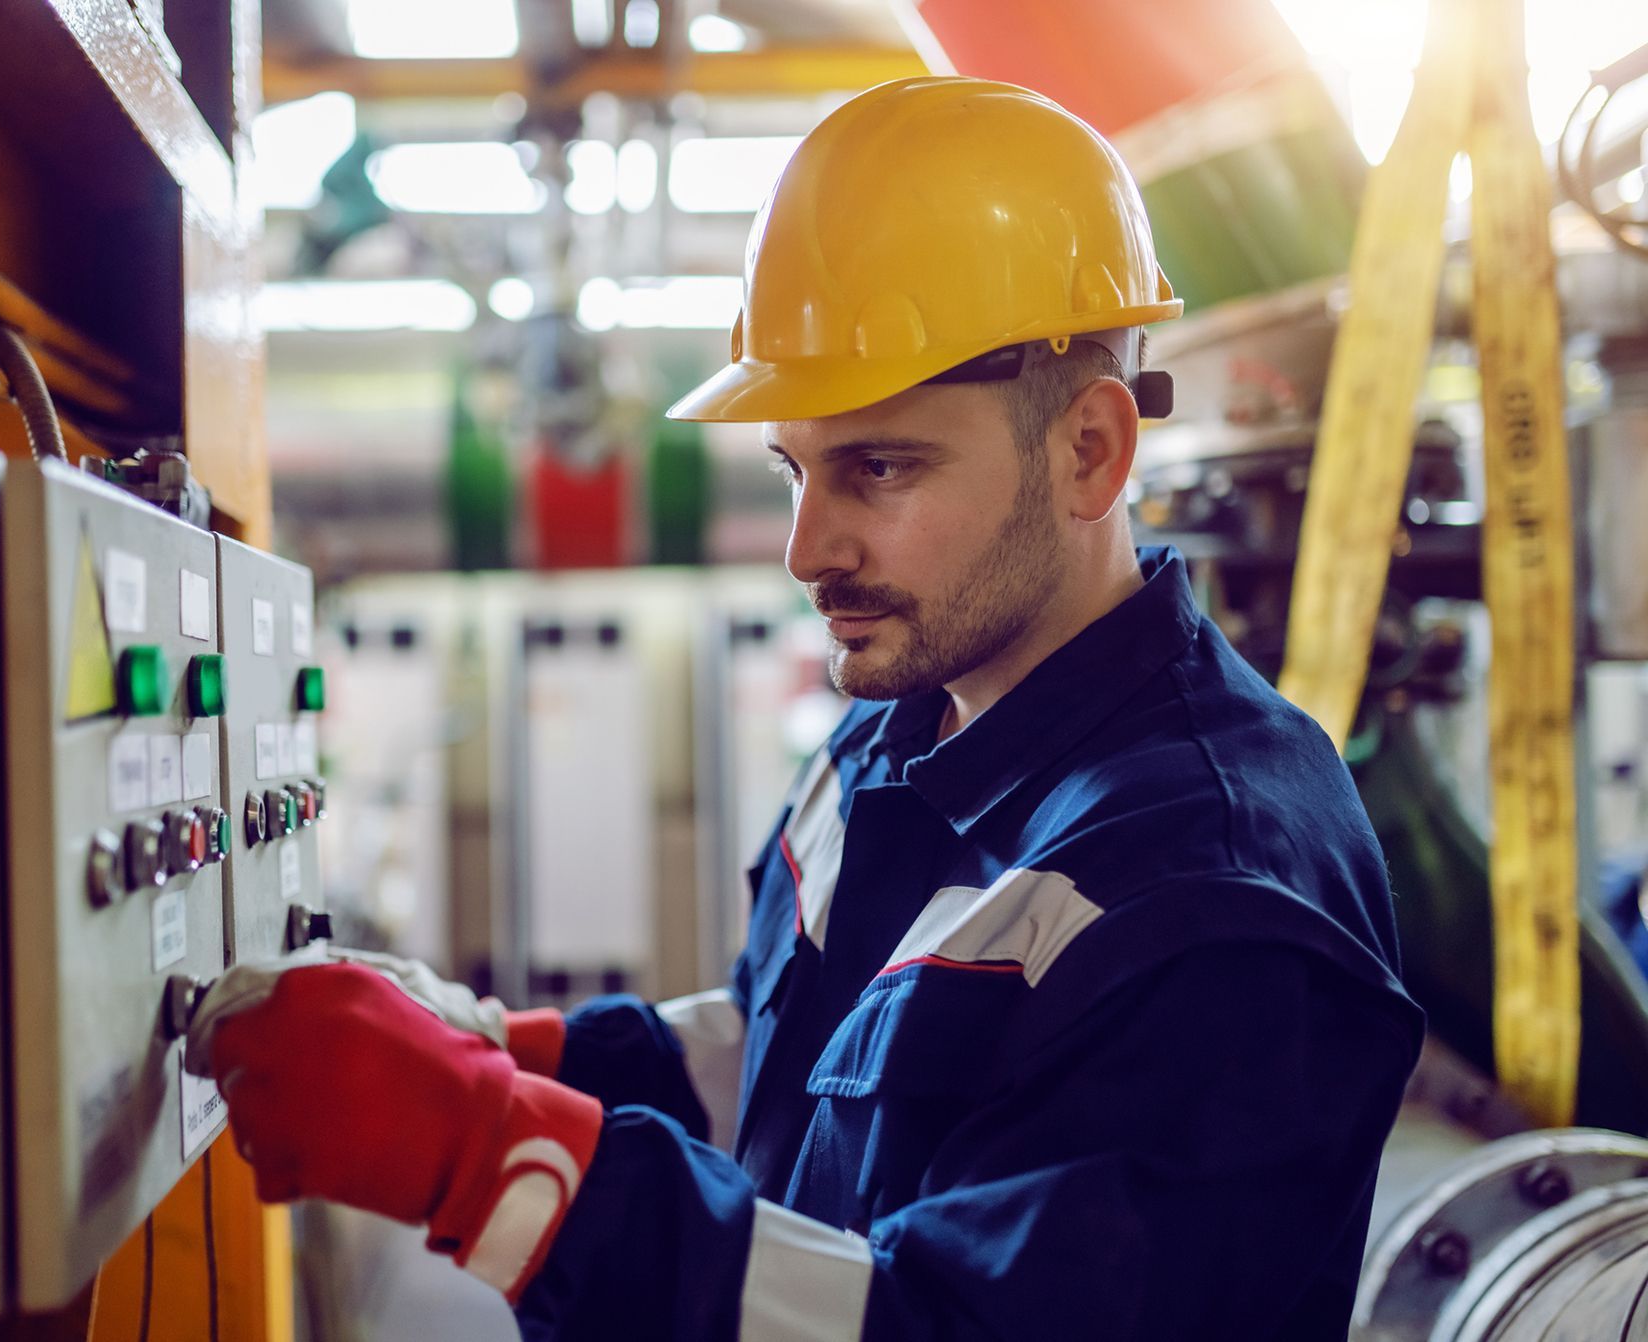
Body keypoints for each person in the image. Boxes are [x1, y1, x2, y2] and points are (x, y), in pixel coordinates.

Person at [187, 77, 1422, 1340]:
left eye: (877, 467)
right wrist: (516, 1049)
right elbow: (801, 1064)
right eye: (793, 469)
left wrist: (497, 1156)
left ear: (1090, 451)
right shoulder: (907, 717)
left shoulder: (1211, 893)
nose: (806, 547)